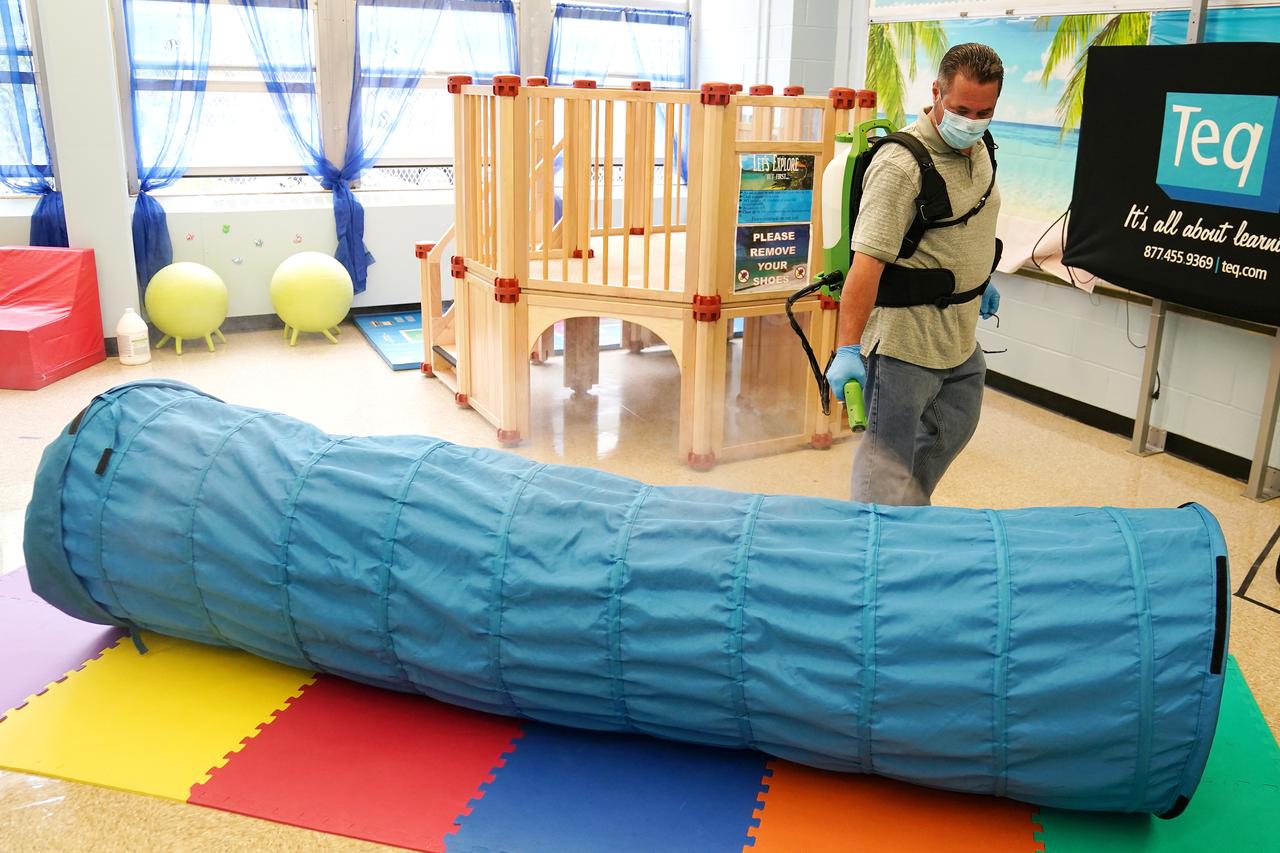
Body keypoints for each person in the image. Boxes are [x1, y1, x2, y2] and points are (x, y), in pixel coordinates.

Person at [826, 43, 1004, 506]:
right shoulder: (900, 166)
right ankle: (869, 542)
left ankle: (907, 519)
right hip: (904, 343)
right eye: (962, 109)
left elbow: (970, 221)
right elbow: (866, 264)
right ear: (936, 93)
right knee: (886, 462)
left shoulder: (981, 145)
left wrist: (980, 278)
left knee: (955, 426)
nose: (972, 121)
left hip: (959, 336)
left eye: (985, 111)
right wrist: (847, 347)